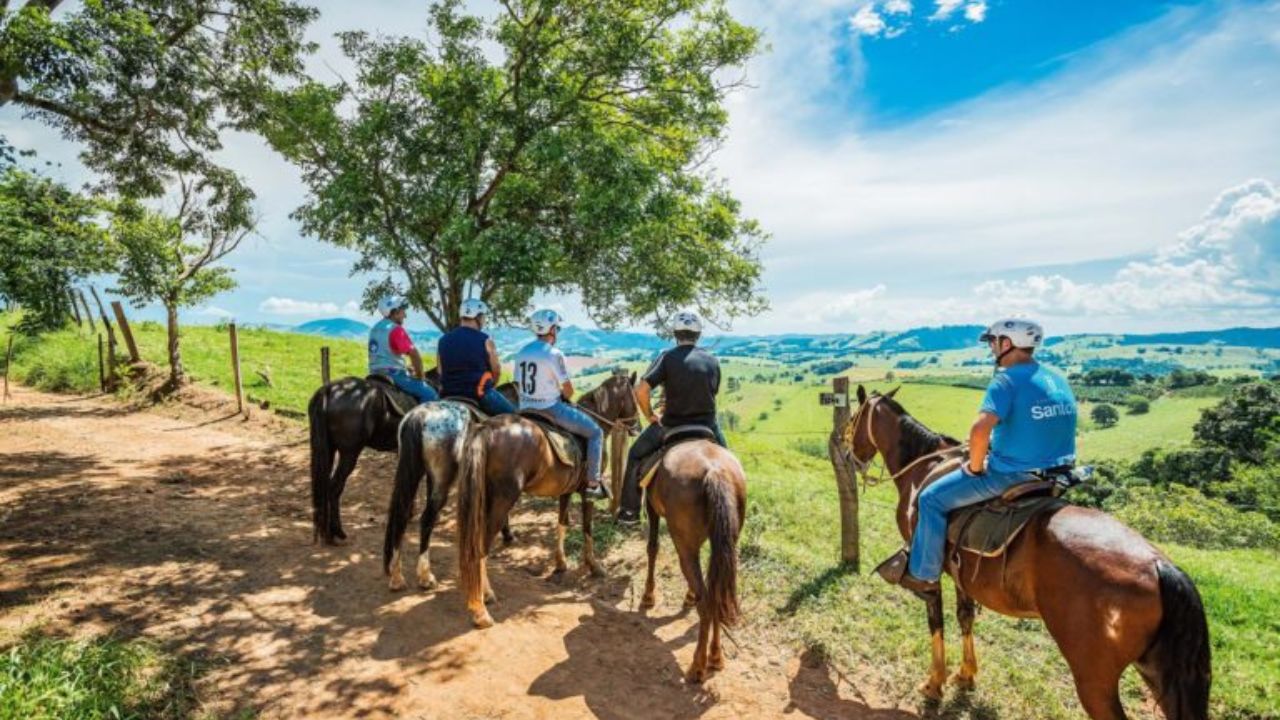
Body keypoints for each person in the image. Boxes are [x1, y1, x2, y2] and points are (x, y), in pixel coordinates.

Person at [895, 317, 1078, 595]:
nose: (992, 348)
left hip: (1012, 474)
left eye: (993, 342)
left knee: (930, 499)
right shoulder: (1056, 379)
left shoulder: (1005, 380)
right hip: (1058, 472)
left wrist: (976, 467)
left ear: (1007, 343)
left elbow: (979, 430)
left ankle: (924, 574)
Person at [616, 310, 726, 524]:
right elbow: (713, 392)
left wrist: (650, 415)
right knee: (729, 463)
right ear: (698, 334)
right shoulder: (713, 360)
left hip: (672, 424)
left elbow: (641, 390)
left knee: (635, 455)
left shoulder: (667, 357)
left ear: (676, 334)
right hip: (707, 425)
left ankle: (629, 512)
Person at [514, 309, 608, 499]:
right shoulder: (554, 353)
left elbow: (518, 383)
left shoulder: (521, 353)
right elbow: (568, 390)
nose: (557, 331)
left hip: (524, 409)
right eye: (556, 328)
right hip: (549, 409)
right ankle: (593, 484)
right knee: (596, 432)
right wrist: (563, 396)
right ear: (552, 330)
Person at [436, 298, 515, 416]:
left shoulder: (442, 340)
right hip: (480, 395)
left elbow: (440, 371)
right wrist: (491, 386)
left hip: (447, 395)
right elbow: (497, 371)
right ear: (477, 317)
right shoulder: (486, 340)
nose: (483, 320)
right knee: (516, 417)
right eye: (483, 317)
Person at [368, 296, 438, 404]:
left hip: (374, 374)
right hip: (393, 375)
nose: (404, 315)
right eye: (402, 311)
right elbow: (414, 354)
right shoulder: (395, 329)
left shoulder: (375, 329)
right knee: (430, 394)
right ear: (395, 312)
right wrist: (420, 375)